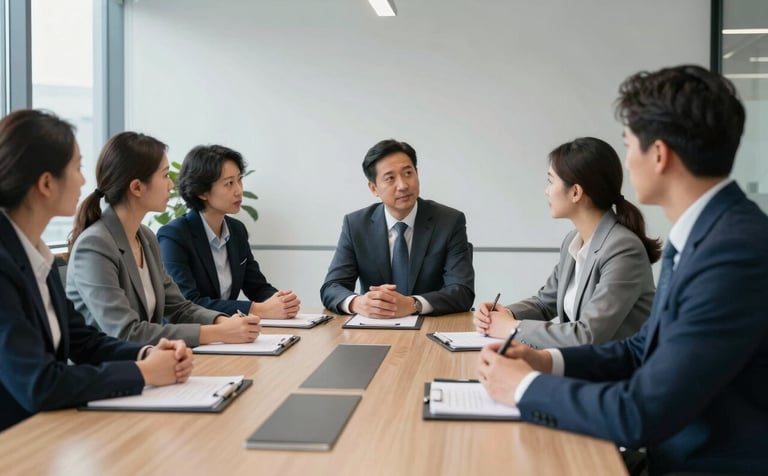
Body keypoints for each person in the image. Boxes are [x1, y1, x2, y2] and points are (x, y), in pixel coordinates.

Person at [477, 65, 768, 474]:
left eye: (629, 144)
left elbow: (642, 411)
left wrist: (524, 387)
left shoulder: (734, 252)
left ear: (660, 154)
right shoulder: (705, 234)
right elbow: (640, 349)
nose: (627, 163)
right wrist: (548, 362)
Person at [0, 109, 193, 431]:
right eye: (76, 167)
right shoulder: (5, 263)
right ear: (47, 183)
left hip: (45, 430)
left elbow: (83, 341)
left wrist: (146, 354)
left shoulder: (35, 254)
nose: (83, 180)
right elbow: (39, 383)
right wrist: (144, 373)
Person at [66, 132, 262, 347]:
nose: (171, 185)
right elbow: (126, 332)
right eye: (165, 175)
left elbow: (179, 308)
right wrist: (218, 332)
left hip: (150, 362)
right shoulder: (95, 245)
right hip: (111, 371)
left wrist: (223, 321)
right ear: (137, 187)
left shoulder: (146, 237)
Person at [473, 137, 658, 348]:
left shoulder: (623, 250)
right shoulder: (574, 240)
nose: (546, 190)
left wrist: (510, 328)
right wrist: (505, 314)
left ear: (576, 192)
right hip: (582, 366)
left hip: (616, 375)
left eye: (550, 181)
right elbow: (545, 304)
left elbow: (587, 335)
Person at [320, 139, 475, 317]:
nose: (403, 185)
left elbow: (462, 291)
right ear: (373, 188)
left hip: (433, 327)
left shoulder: (449, 221)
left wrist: (413, 304)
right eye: (390, 178)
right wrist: (358, 303)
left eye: (408, 173)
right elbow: (331, 287)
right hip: (375, 329)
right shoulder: (356, 225)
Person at [157, 145, 300, 317]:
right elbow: (188, 302)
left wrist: (281, 301)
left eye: (239, 180)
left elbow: (256, 286)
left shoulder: (237, 230)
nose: (239, 190)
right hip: (189, 339)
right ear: (202, 192)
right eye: (229, 183)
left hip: (230, 335)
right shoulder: (174, 235)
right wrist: (256, 309)